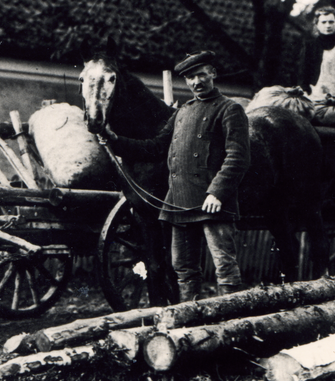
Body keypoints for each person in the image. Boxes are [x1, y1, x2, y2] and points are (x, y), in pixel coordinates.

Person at [103, 51, 250, 301]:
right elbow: (154, 147)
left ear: (213, 74)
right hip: (179, 203)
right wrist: (114, 140)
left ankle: (231, 320)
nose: (196, 82)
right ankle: (188, 319)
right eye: (190, 77)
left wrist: (217, 192)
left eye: (201, 74)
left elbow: (238, 157)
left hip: (212, 202)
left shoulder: (230, 109)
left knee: (224, 267)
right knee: (184, 270)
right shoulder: (182, 113)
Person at [300, 6, 335, 98]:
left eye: (331, 22)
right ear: (317, 24)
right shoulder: (310, 46)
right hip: (316, 92)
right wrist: (304, 92)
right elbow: (304, 71)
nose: (328, 25)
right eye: (323, 22)